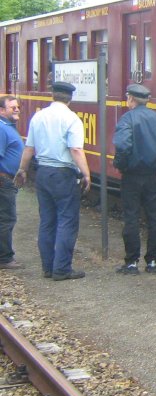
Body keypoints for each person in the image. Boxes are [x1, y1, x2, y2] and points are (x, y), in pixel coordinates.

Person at [14, 82, 91, 280]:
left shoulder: (38, 116)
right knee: (67, 220)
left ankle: (48, 267)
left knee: (47, 221)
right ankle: (62, 268)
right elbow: (75, 150)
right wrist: (86, 174)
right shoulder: (72, 119)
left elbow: (29, 148)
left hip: (43, 173)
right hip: (63, 174)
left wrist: (22, 169)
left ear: (52, 95)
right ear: (70, 98)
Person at [113, 83, 156, 275]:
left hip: (132, 176)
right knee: (153, 219)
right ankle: (152, 263)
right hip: (152, 177)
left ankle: (131, 262)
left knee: (131, 217)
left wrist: (120, 165)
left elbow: (122, 146)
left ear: (130, 99)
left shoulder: (127, 119)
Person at [0, 96, 24, 269]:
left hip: (9, 180)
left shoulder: (8, 127)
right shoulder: (2, 129)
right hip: (4, 181)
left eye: (17, 107)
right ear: (1, 110)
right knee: (6, 219)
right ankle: (5, 258)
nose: (16, 109)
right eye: (12, 107)